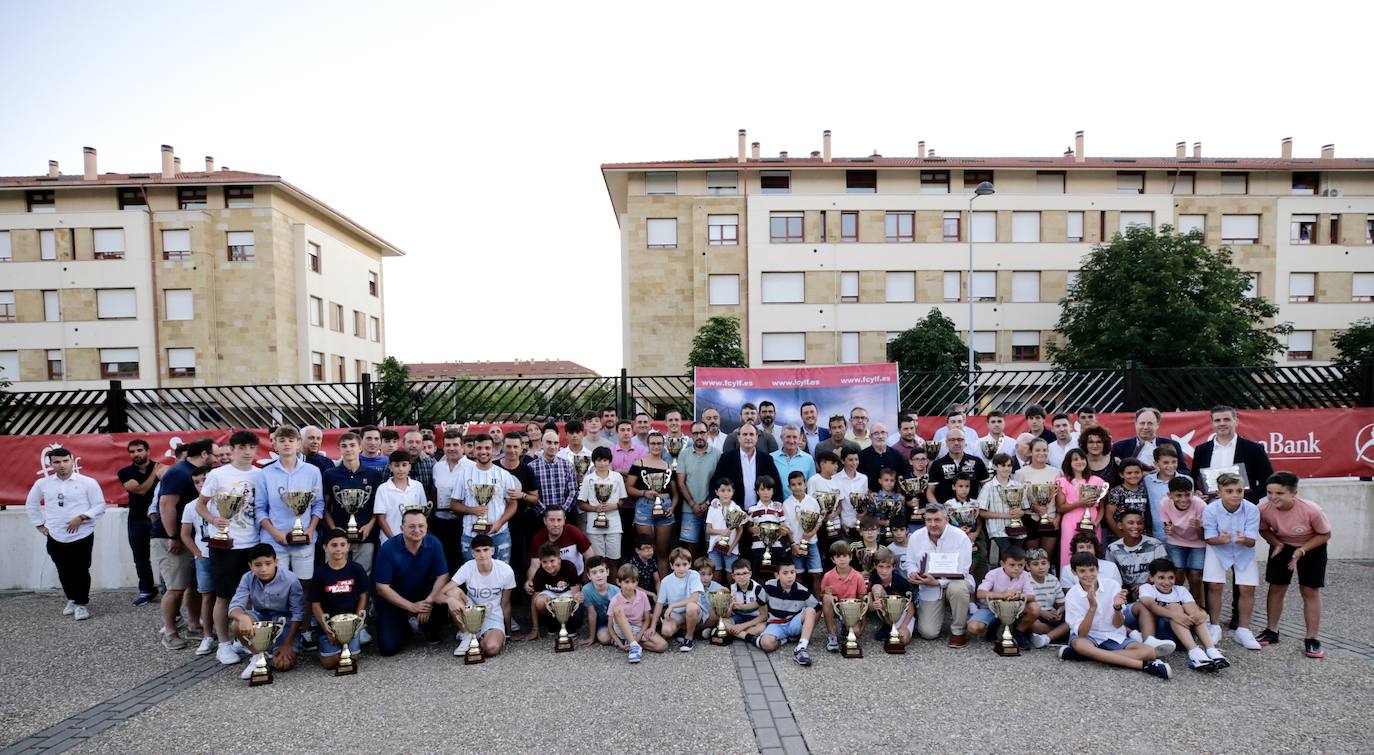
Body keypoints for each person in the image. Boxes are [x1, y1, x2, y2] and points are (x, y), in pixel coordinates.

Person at [195, 430, 266, 666]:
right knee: (224, 596)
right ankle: (223, 645)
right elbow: (201, 505)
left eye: (252, 448)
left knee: (250, 597)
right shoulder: (217, 474)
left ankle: (242, 639)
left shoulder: (260, 474)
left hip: (253, 543)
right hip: (225, 544)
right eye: (242, 447)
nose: (247, 452)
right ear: (232, 449)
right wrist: (214, 520)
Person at [1057, 552, 1172, 680]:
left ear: (1098, 569)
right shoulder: (1072, 595)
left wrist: (1117, 608)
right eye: (1082, 571)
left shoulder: (1112, 586)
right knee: (1080, 644)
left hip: (1113, 633)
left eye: (1092, 570)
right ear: (1074, 572)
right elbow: (1082, 634)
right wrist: (1092, 607)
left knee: (1149, 652)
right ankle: (1144, 666)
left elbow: (1118, 624)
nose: (1088, 575)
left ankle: (1086, 655)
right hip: (1088, 637)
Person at [1257, 472, 1331, 659]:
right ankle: (1271, 631)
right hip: (1282, 545)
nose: (1273, 498)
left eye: (1279, 493)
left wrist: (1301, 551)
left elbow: (1325, 534)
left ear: (1293, 493)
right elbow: (1264, 529)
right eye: (1270, 492)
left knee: (1309, 590)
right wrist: (1276, 543)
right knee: (1276, 587)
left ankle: (1312, 639)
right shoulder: (1263, 507)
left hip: (1312, 545)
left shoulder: (1311, 510)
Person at [26, 446, 105, 622]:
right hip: (55, 534)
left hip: (82, 533)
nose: (62, 465)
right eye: (57, 462)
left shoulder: (88, 482)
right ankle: (72, 598)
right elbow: (31, 504)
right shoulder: (43, 484)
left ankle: (81, 604)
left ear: (72, 460)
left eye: (65, 461)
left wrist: (82, 517)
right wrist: (39, 524)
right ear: (51, 464)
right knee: (63, 570)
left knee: (81, 569)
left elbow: (99, 506)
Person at [151, 438, 214, 650]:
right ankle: (169, 631)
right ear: (205, 454)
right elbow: (166, 503)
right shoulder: (178, 472)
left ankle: (194, 625)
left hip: (195, 539)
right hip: (172, 538)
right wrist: (173, 535)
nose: (217, 458)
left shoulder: (201, 473)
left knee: (195, 585)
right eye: (214, 454)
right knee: (176, 587)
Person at [256, 427, 324, 598]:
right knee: (277, 586)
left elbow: (318, 504)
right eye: (282, 440)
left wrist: (309, 530)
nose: (287, 444)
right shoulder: (265, 473)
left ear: (299, 444)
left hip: (305, 539)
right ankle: (282, 624)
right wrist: (275, 533)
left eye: (291, 440)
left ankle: (305, 623)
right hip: (275, 540)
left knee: (305, 585)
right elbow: (260, 508)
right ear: (275, 445)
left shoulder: (312, 471)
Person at [373, 509, 451, 655]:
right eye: (412, 526)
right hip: (394, 601)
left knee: (446, 598)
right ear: (402, 528)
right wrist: (412, 607)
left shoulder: (434, 543)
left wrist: (428, 601)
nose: (417, 530)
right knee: (388, 649)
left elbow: (443, 576)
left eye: (421, 526)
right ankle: (404, 625)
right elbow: (382, 588)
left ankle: (427, 627)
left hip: (423, 597)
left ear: (427, 527)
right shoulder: (388, 548)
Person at [1202, 473, 1262, 650]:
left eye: (1239, 490)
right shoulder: (1210, 509)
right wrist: (1221, 540)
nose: (1235, 494)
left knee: (1247, 588)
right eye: (1229, 491)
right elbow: (1210, 538)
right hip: (1218, 549)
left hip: (1244, 551)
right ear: (1219, 493)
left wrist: (1245, 540)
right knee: (1215, 586)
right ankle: (1214, 626)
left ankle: (1243, 631)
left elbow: (1252, 541)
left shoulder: (1252, 509)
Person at [1137, 557, 1228, 672]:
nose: (1167, 582)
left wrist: (1200, 614)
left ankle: (1211, 650)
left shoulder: (1180, 590)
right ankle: (1194, 652)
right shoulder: (1147, 588)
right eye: (1161, 578)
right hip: (1161, 634)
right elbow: (1151, 605)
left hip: (1183, 635)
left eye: (1171, 578)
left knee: (1192, 610)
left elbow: (1193, 608)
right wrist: (1174, 615)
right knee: (1175, 607)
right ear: (1151, 577)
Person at [228, 543, 305, 680]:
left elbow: (298, 614)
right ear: (250, 566)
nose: (263, 569)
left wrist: (287, 644)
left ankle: (274, 650)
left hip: (284, 622)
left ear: (276, 562)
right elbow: (234, 606)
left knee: (283, 665)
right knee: (236, 623)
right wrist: (243, 618)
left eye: (268, 563)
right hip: (261, 617)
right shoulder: (247, 578)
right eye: (258, 565)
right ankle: (258, 656)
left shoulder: (290, 579)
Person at [903, 504, 974, 647]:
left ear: (946, 519)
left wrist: (938, 583)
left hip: (956, 582)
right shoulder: (916, 536)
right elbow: (909, 562)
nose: (932, 524)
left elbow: (963, 571)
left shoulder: (960, 537)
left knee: (958, 589)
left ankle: (958, 632)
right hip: (928, 586)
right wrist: (913, 573)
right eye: (929, 520)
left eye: (937, 520)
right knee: (928, 633)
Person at [442, 533, 516, 659]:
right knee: (452, 592)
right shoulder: (468, 567)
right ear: (472, 553)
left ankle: (478, 638)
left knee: (492, 649)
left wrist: (508, 633)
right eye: (478, 551)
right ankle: (466, 634)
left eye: (486, 550)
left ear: (492, 550)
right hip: (470, 611)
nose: (482, 554)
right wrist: (449, 600)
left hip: (492, 615)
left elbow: (506, 603)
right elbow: (443, 591)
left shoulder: (505, 570)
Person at [322, 432, 387, 573]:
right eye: (344, 446)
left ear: (360, 447)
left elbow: (378, 506)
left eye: (352, 445)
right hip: (337, 537)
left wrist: (370, 526)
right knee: (335, 574)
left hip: (365, 535)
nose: (349, 449)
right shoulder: (330, 474)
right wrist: (334, 529)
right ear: (338, 449)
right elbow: (325, 507)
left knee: (363, 574)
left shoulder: (373, 475)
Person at [452, 434, 521, 563]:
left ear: (493, 450)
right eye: (479, 448)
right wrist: (473, 510)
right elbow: (454, 504)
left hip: (499, 534)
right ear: (474, 450)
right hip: (471, 535)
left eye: (487, 448)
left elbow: (512, 504)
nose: (483, 452)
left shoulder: (504, 475)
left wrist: (500, 523)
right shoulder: (464, 474)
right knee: (473, 576)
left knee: (501, 575)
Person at [311, 529, 371, 671]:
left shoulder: (356, 569)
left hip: (350, 624)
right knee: (329, 663)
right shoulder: (320, 574)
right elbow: (315, 604)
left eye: (342, 545)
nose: (339, 549)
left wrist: (356, 621)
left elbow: (363, 596)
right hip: (330, 625)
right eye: (334, 545)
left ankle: (351, 640)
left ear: (348, 546)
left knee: (352, 659)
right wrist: (327, 629)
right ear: (325, 548)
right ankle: (320, 639)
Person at [1192, 405, 1273, 504]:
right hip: (1210, 508)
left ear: (1236, 422)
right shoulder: (1201, 450)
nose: (1222, 423)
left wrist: (1249, 498)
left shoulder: (1253, 448)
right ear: (1212, 424)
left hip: (1243, 507)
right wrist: (1198, 493)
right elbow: (1194, 478)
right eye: (1217, 420)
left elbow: (1268, 479)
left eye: (1227, 419)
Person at [968, 546, 1045, 649]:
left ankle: (1018, 633)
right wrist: (1002, 596)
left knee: (1035, 608)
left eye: (1020, 565)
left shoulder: (1025, 575)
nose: (1017, 568)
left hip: (1014, 607)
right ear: (1002, 564)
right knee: (974, 628)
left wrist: (1019, 596)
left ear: (1025, 565)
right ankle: (992, 625)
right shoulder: (993, 574)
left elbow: (1032, 596)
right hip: (990, 608)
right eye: (1012, 565)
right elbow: (980, 593)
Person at [749, 561, 818, 667]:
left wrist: (808, 628)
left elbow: (818, 608)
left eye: (792, 572)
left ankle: (801, 648)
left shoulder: (802, 591)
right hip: (776, 623)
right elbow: (759, 603)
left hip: (794, 623)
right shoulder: (769, 586)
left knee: (810, 610)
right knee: (766, 644)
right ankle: (786, 639)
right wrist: (740, 607)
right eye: (785, 573)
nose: (790, 576)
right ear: (777, 575)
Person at [625, 433, 676, 574]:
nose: (656, 446)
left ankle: (663, 587)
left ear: (663, 445)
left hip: (665, 506)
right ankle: (644, 587)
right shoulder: (638, 463)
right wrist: (643, 493)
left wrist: (673, 506)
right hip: (644, 506)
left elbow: (675, 494)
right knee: (645, 549)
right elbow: (628, 488)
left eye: (659, 443)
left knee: (663, 550)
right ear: (648, 445)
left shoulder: (669, 467)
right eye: (653, 443)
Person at [118, 439, 160, 605]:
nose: (136, 454)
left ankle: (168, 590)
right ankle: (147, 590)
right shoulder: (125, 472)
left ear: (148, 451)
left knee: (165, 555)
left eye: (139, 450)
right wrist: (154, 473)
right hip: (136, 520)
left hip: (158, 518)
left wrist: (158, 471)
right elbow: (141, 490)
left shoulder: (162, 468)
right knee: (141, 558)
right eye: (132, 451)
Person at [676, 421, 721, 558]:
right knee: (690, 546)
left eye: (702, 432)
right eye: (695, 433)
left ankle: (709, 577)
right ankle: (690, 575)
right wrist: (692, 504)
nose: (699, 436)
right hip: (689, 508)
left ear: (707, 433)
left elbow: (720, 483)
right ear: (691, 435)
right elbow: (681, 483)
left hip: (712, 508)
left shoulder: (717, 454)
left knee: (711, 545)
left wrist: (707, 504)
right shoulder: (684, 454)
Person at [1159, 477, 1207, 606]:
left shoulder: (1200, 505)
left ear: (1193, 493)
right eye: (1178, 495)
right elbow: (1167, 526)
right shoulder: (1164, 503)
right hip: (1176, 541)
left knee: (1195, 576)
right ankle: (1175, 604)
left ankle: (1198, 607)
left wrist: (1197, 527)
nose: (1184, 499)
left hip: (1198, 543)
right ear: (1170, 495)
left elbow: (1204, 536)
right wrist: (1168, 529)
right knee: (1177, 574)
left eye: (1187, 494)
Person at [429, 428, 471, 573]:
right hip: (440, 522)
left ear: (463, 446)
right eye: (448, 445)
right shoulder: (437, 467)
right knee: (442, 560)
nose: (451, 448)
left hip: (462, 522)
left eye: (455, 444)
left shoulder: (472, 467)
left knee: (460, 560)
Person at [1056, 448, 1107, 570]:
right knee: (1069, 553)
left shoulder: (1098, 481)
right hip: (1070, 522)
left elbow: (1102, 507)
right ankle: (1068, 583)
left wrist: (1097, 522)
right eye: (1075, 459)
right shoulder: (1062, 481)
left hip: (1092, 522)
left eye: (1082, 458)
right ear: (1069, 463)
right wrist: (1081, 503)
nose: (1080, 462)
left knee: (1092, 552)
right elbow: (1060, 507)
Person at [577, 446, 627, 566]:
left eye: (605, 460)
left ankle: (612, 584)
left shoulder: (617, 477)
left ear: (609, 461)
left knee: (613, 560)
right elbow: (581, 503)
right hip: (594, 526)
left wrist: (613, 506)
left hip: (614, 524)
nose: (602, 463)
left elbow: (622, 500)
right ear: (594, 462)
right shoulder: (588, 479)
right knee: (597, 561)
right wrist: (595, 508)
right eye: (599, 460)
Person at [609, 564, 667, 661]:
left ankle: (631, 643)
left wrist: (638, 637)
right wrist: (619, 645)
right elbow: (610, 628)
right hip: (621, 629)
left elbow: (647, 619)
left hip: (638, 629)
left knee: (662, 645)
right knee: (618, 609)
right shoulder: (615, 600)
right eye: (626, 582)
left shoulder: (642, 596)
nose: (630, 586)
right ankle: (633, 647)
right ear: (618, 582)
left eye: (633, 582)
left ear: (637, 582)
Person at [651, 547, 705, 650]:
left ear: (690, 564)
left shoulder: (694, 575)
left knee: (691, 607)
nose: (682, 568)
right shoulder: (666, 581)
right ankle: (682, 628)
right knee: (666, 631)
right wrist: (653, 626)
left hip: (694, 611)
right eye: (677, 565)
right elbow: (659, 603)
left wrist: (672, 605)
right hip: (677, 613)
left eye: (685, 564)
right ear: (671, 566)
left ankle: (688, 638)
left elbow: (694, 599)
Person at [820, 539, 868, 652]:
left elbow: (863, 600)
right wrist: (826, 594)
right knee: (827, 598)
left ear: (850, 557)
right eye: (838, 556)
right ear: (832, 559)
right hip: (835, 608)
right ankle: (832, 635)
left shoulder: (858, 576)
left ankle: (847, 627)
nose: (842, 559)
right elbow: (822, 595)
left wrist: (863, 623)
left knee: (856, 632)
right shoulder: (828, 576)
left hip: (851, 611)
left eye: (845, 555)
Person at [1111, 407, 1188, 475]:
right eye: (1142, 423)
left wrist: (1165, 472)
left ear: (1157, 425)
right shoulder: (1119, 447)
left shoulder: (1172, 445)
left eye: (1150, 423)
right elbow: (1113, 473)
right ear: (1135, 424)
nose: (1145, 427)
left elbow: (1184, 471)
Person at [978, 452, 1024, 562]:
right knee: (1006, 559)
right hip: (997, 531)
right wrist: (1005, 515)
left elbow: (1025, 509)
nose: (1006, 468)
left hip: (1017, 530)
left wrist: (1020, 513)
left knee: (1017, 560)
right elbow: (981, 512)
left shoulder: (1018, 486)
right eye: (1003, 465)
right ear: (995, 466)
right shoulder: (988, 487)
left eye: (1009, 466)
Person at [372, 450, 425, 544]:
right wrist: (393, 540)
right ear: (390, 467)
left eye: (404, 465)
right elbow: (381, 518)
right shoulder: (383, 488)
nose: (400, 469)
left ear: (409, 467)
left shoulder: (418, 486)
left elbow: (423, 514)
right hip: (389, 540)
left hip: (414, 541)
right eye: (396, 465)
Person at [866, 547, 915, 649]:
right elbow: (869, 607)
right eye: (881, 566)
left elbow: (911, 608)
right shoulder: (874, 578)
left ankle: (893, 628)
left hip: (903, 616)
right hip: (886, 614)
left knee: (903, 640)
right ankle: (888, 625)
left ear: (893, 567)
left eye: (888, 567)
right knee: (876, 588)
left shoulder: (901, 582)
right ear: (875, 566)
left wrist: (903, 626)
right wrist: (875, 606)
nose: (884, 571)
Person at [527, 507, 594, 581]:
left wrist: (586, 579)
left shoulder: (574, 532)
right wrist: (530, 580)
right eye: (552, 520)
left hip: (577, 577)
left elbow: (590, 557)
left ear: (564, 520)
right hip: (549, 580)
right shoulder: (538, 538)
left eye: (559, 520)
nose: (556, 524)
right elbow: (534, 566)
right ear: (545, 521)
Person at [784, 471, 823, 593]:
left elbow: (818, 520)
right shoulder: (786, 504)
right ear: (789, 487)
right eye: (794, 484)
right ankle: (800, 601)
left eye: (800, 483)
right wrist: (792, 544)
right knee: (798, 574)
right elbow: (787, 527)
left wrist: (812, 533)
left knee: (816, 573)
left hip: (811, 543)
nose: (797, 487)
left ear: (805, 484)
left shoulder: (812, 501)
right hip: (795, 544)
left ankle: (818, 602)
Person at [746, 475, 790, 576]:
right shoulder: (752, 509)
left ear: (773, 491)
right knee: (759, 576)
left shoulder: (778, 507)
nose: (766, 492)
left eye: (769, 489)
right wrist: (752, 530)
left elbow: (784, 526)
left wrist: (783, 531)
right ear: (757, 491)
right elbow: (748, 528)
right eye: (762, 489)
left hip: (776, 547)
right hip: (758, 547)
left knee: (776, 576)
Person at [926, 434, 987, 504]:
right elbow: (930, 491)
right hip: (945, 511)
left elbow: (987, 488)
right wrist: (939, 508)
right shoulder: (937, 464)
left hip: (972, 509)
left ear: (965, 442)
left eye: (960, 439)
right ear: (946, 443)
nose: (956, 443)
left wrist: (981, 506)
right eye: (952, 440)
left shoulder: (977, 462)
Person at [1026, 547, 1069, 643]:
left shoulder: (1053, 580)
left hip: (1051, 614)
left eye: (1044, 563)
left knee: (1071, 620)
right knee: (1035, 625)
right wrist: (1041, 613)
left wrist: (1059, 612)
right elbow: (1023, 604)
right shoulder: (1025, 579)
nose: (1041, 567)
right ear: (1028, 567)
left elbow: (1062, 604)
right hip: (1033, 614)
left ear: (1049, 565)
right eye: (1035, 564)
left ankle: (1048, 635)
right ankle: (1058, 634)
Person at [1143, 445, 1184, 543]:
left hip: (1182, 534)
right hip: (1158, 534)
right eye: (1165, 462)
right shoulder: (1148, 481)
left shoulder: (1186, 480)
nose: (1170, 466)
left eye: (1174, 462)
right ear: (1156, 464)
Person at [1104, 458, 1150, 544]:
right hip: (1120, 537)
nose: (1133, 475)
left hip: (1141, 536)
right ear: (1121, 474)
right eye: (1129, 473)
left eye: (1137, 472)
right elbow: (1109, 516)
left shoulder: (1144, 489)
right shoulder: (1116, 492)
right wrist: (1121, 536)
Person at [1058, 532, 1123, 591]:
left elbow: (1118, 591)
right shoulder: (1067, 569)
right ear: (1075, 550)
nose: (1085, 550)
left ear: (1095, 549)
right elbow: (1070, 595)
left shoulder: (1111, 566)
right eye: (1081, 547)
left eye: (1089, 547)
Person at [578, 555, 619, 648]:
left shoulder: (616, 591)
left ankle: (620, 638)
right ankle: (616, 638)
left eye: (602, 571)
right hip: (600, 622)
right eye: (594, 572)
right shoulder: (586, 590)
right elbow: (592, 614)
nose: (599, 575)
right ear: (589, 575)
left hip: (614, 621)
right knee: (604, 639)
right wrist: (591, 638)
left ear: (607, 572)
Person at [705, 478, 744, 574]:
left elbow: (740, 531)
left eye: (729, 490)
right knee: (715, 575)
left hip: (732, 549)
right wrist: (721, 532)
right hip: (714, 547)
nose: (726, 493)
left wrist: (732, 548)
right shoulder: (713, 507)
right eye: (722, 491)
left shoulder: (737, 508)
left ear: (733, 492)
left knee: (732, 576)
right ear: (716, 492)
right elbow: (708, 530)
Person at [722, 560, 766, 642]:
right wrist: (730, 606)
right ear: (733, 576)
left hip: (755, 618)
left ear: (750, 574)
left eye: (745, 573)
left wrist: (742, 626)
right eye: (738, 574)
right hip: (740, 617)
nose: (742, 577)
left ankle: (732, 634)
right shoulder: (732, 588)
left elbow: (764, 616)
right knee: (722, 622)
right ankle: (747, 637)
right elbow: (727, 616)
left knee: (761, 629)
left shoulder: (758, 589)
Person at [858, 423, 909, 490]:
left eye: (883, 432)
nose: (880, 436)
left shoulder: (897, 455)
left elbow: (903, 477)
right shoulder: (862, 456)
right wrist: (869, 492)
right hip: (870, 497)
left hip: (893, 498)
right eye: (876, 433)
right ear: (870, 437)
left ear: (887, 435)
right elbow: (859, 479)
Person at [833, 448, 869, 538]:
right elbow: (837, 504)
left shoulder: (863, 478)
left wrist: (863, 514)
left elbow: (865, 501)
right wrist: (841, 523)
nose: (854, 463)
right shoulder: (835, 478)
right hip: (845, 525)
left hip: (861, 525)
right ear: (842, 461)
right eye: (850, 460)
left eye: (856, 459)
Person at [694, 558, 727, 639]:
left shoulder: (717, 587)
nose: (706, 578)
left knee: (716, 614)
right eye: (702, 574)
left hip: (710, 618)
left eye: (709, 574)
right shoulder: (692, 586)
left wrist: (726, 594)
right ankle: (696, 631)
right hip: (696, 616)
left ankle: (700, 631)